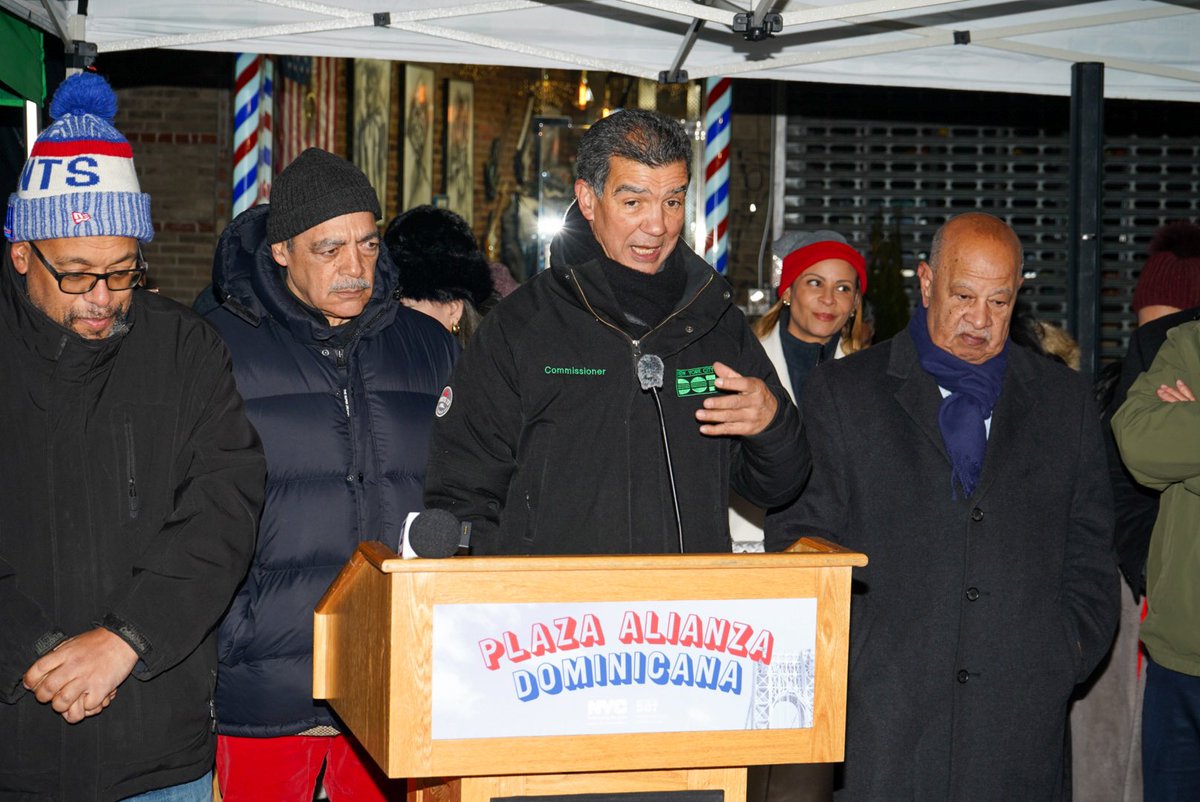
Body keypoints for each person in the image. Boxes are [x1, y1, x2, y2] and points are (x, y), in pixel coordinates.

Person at [765, 212, 1119, 800]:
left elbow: (1090, 553)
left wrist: (1062, 655)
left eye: (999, 302)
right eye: (962, 295)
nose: (980, 320)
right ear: (926, 284)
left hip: (1017, 730)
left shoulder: (1064, 404)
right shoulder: (844, 393)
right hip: (884, 726)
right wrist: (856, 665)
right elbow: (800, 544)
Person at [0, 72, 265, 800]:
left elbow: (224, 507)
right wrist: (32, 653)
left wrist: (126, 640)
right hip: (14, 738)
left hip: (155, 739)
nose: (103, 299)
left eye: (122, 273)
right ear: (22, 252)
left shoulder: (184, 350)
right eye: (77, 275)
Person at [425, 108, 804, 555]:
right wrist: (506, 603)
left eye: (673, 201)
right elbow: (462, 491)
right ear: (588, 200)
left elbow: (776, 488)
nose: (657, 225)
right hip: (558, 617)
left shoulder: (715, 321)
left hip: (689, 616)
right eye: (633, 202)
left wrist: (772, 426)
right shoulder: (523, 325)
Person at [205, 148, 457, 801]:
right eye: (330, 249)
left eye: (369, 245)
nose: (355, 268)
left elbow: (472, 486)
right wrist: (231, 632)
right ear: (282, 250)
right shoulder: (215, 346)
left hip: (394, 680)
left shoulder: (429, 347)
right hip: (264, 684)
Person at [1074, 220, 1200, 802]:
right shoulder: (1166, 356)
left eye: (1168, 325)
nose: (1150, 345)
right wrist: (1156, 568)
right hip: (1167, 620)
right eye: (1146, 330)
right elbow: (1137, 453)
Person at [732, 230, 868, 553]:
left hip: (835, 550)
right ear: (789, 292)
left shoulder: (870, 377)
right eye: (815, 282)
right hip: (750, 544)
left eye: (843, 288)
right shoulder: (742, 366)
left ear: (854, 305)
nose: (829, 299)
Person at [1111, 324, 1200, 801]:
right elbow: (1140, 444)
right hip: (1179, 657)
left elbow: (1167, 446)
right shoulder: (1189, 341)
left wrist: (1187, 427)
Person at [383, 205, 496, 345]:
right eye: (390, 307)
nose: (393, 320)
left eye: (407, 309)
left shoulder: (492, 362)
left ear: (453, 310)